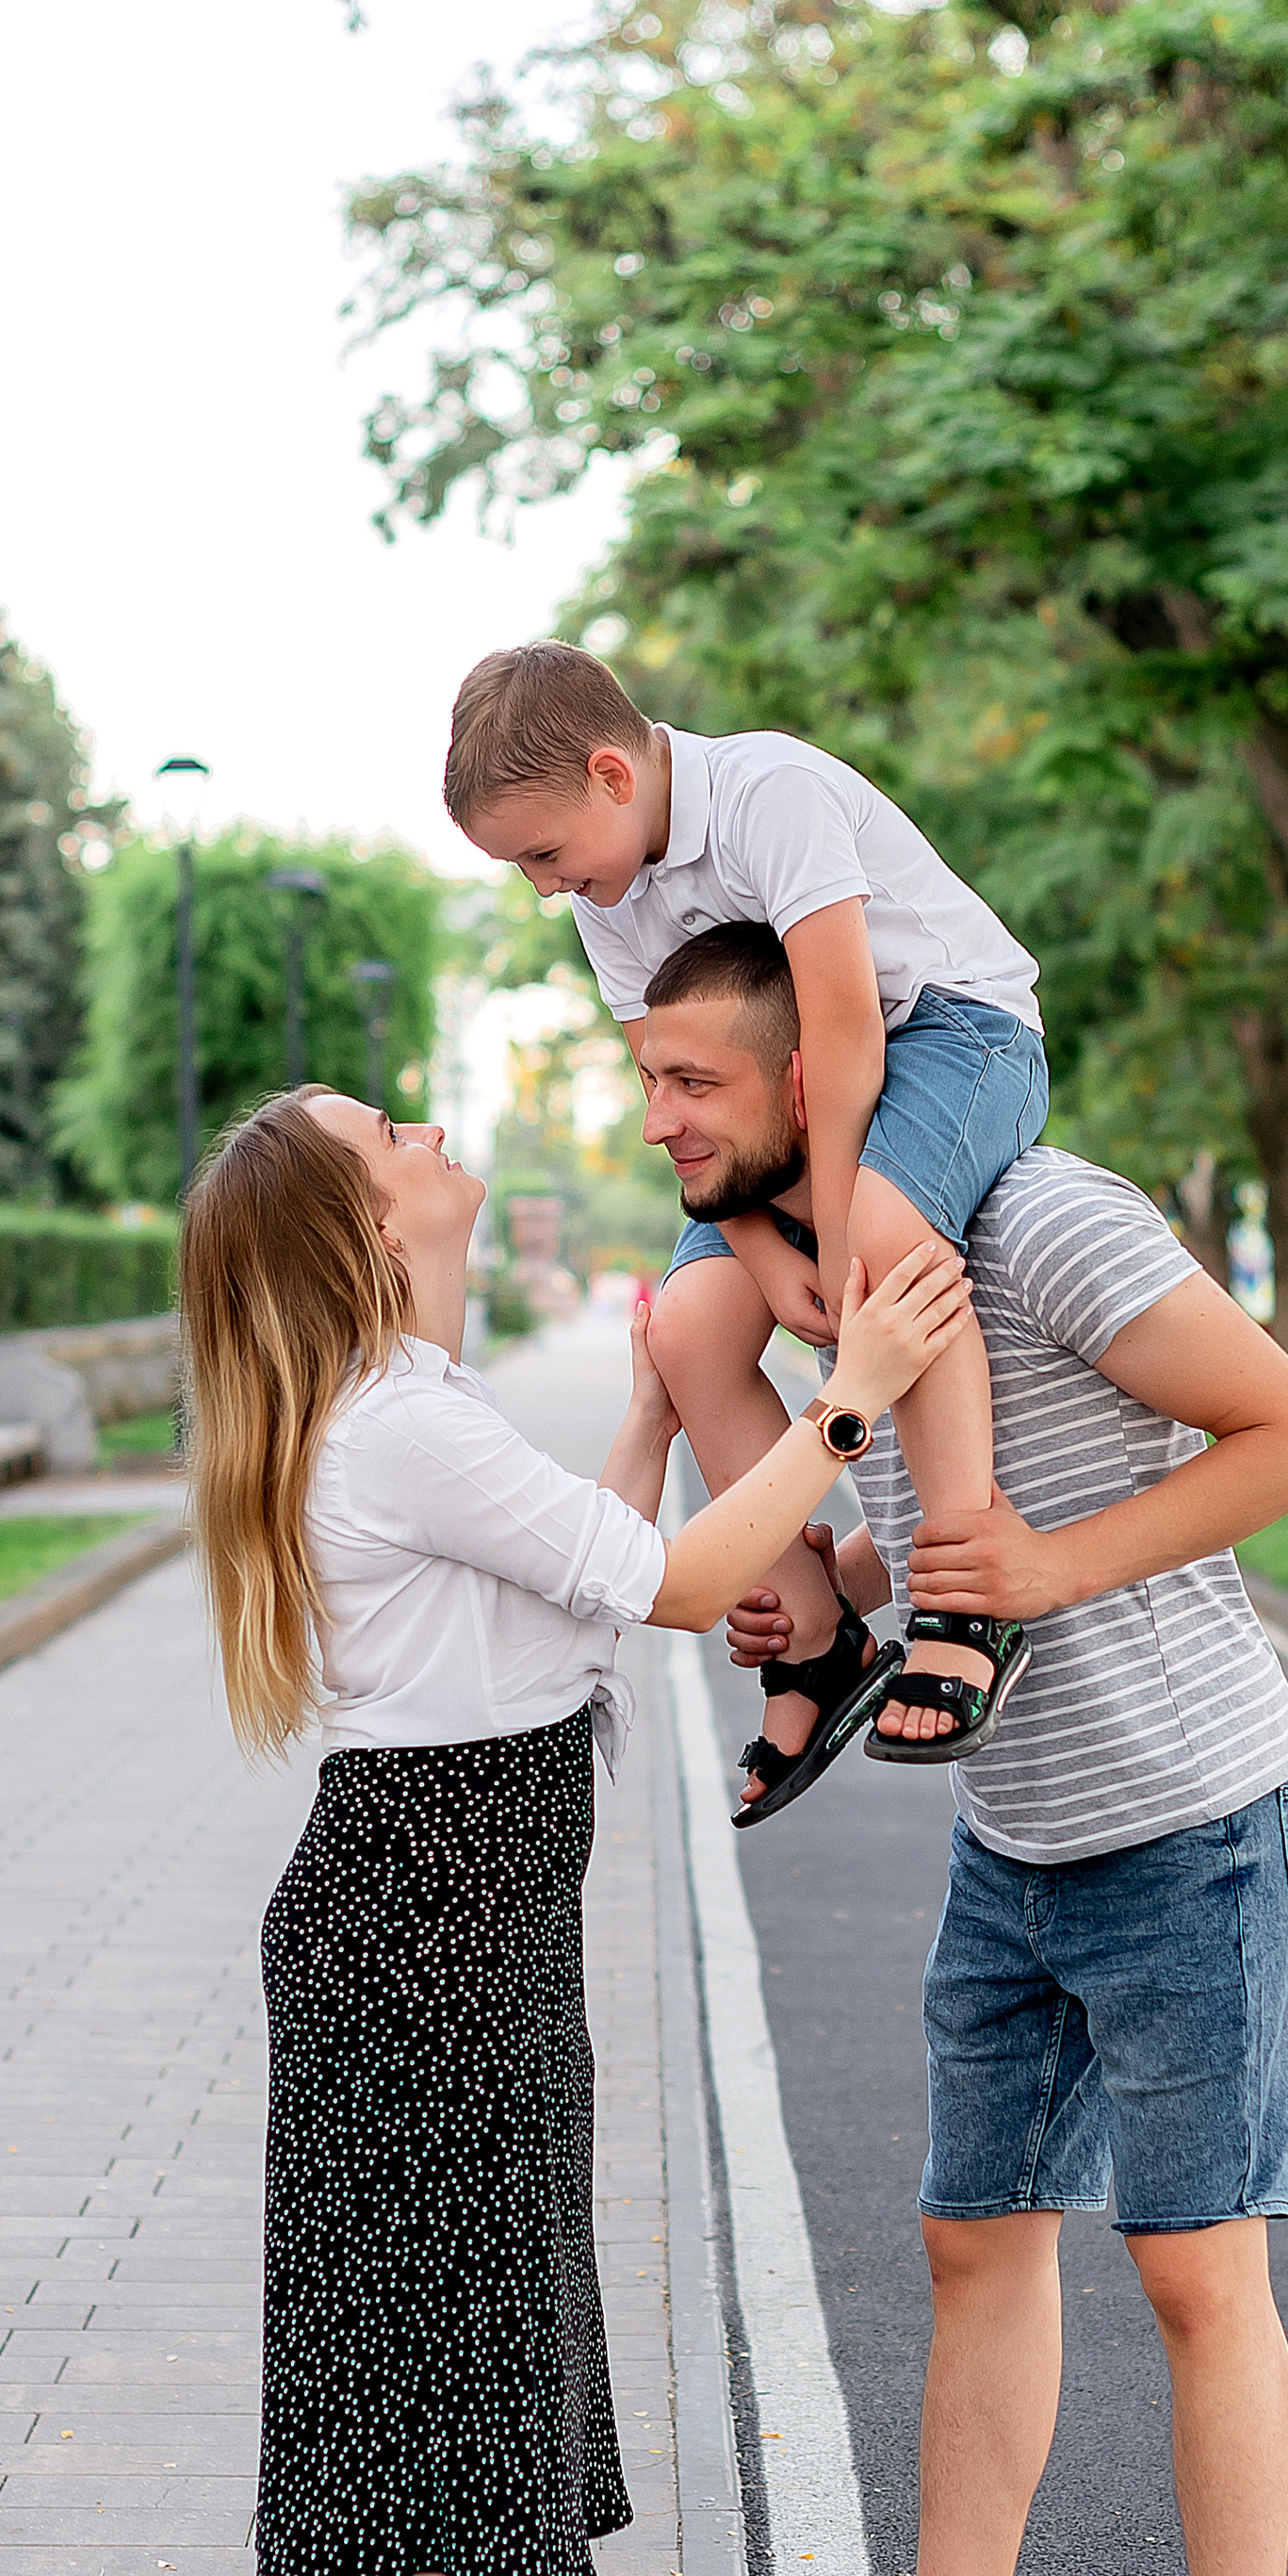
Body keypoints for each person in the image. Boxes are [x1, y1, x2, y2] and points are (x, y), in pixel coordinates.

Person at [623, 936, 1288, 2576]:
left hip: (1188, 1817)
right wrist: (835, 1584)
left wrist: (1034, 1567)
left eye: (693, 1081)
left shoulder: (1041, 1220)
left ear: (812, 1081)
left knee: (1196, 2282)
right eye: (648, 1079)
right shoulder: (791, 1277)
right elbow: (925, 1516)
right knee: (974, 2243)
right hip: (1013, 1834)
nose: (660, 1118)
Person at [177, 1087, 969, 2576]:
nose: (427, 1123)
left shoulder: (419, 1416)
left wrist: (639, 1410)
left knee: (451, 2325)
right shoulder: (394, 1428)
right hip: (419, 1924)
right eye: (385, 1129)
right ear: (365, 1229)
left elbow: (582, 1595)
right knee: (381, 2359)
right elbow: (687, 1582)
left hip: (471, 1914)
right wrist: (846, 1402)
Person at [445, 641, 1052, 1821]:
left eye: (542, 853)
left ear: (614, 777)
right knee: (686, 1326)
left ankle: (966, 1595)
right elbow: (680, 1097)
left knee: (881, 1245)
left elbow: (840, 1034)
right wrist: (765, 1257)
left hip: (937, 1033)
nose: (542, 887)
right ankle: (814, 1639)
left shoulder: (768, 794)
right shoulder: (606, 892)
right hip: (765, 1099)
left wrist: (831, 1241)